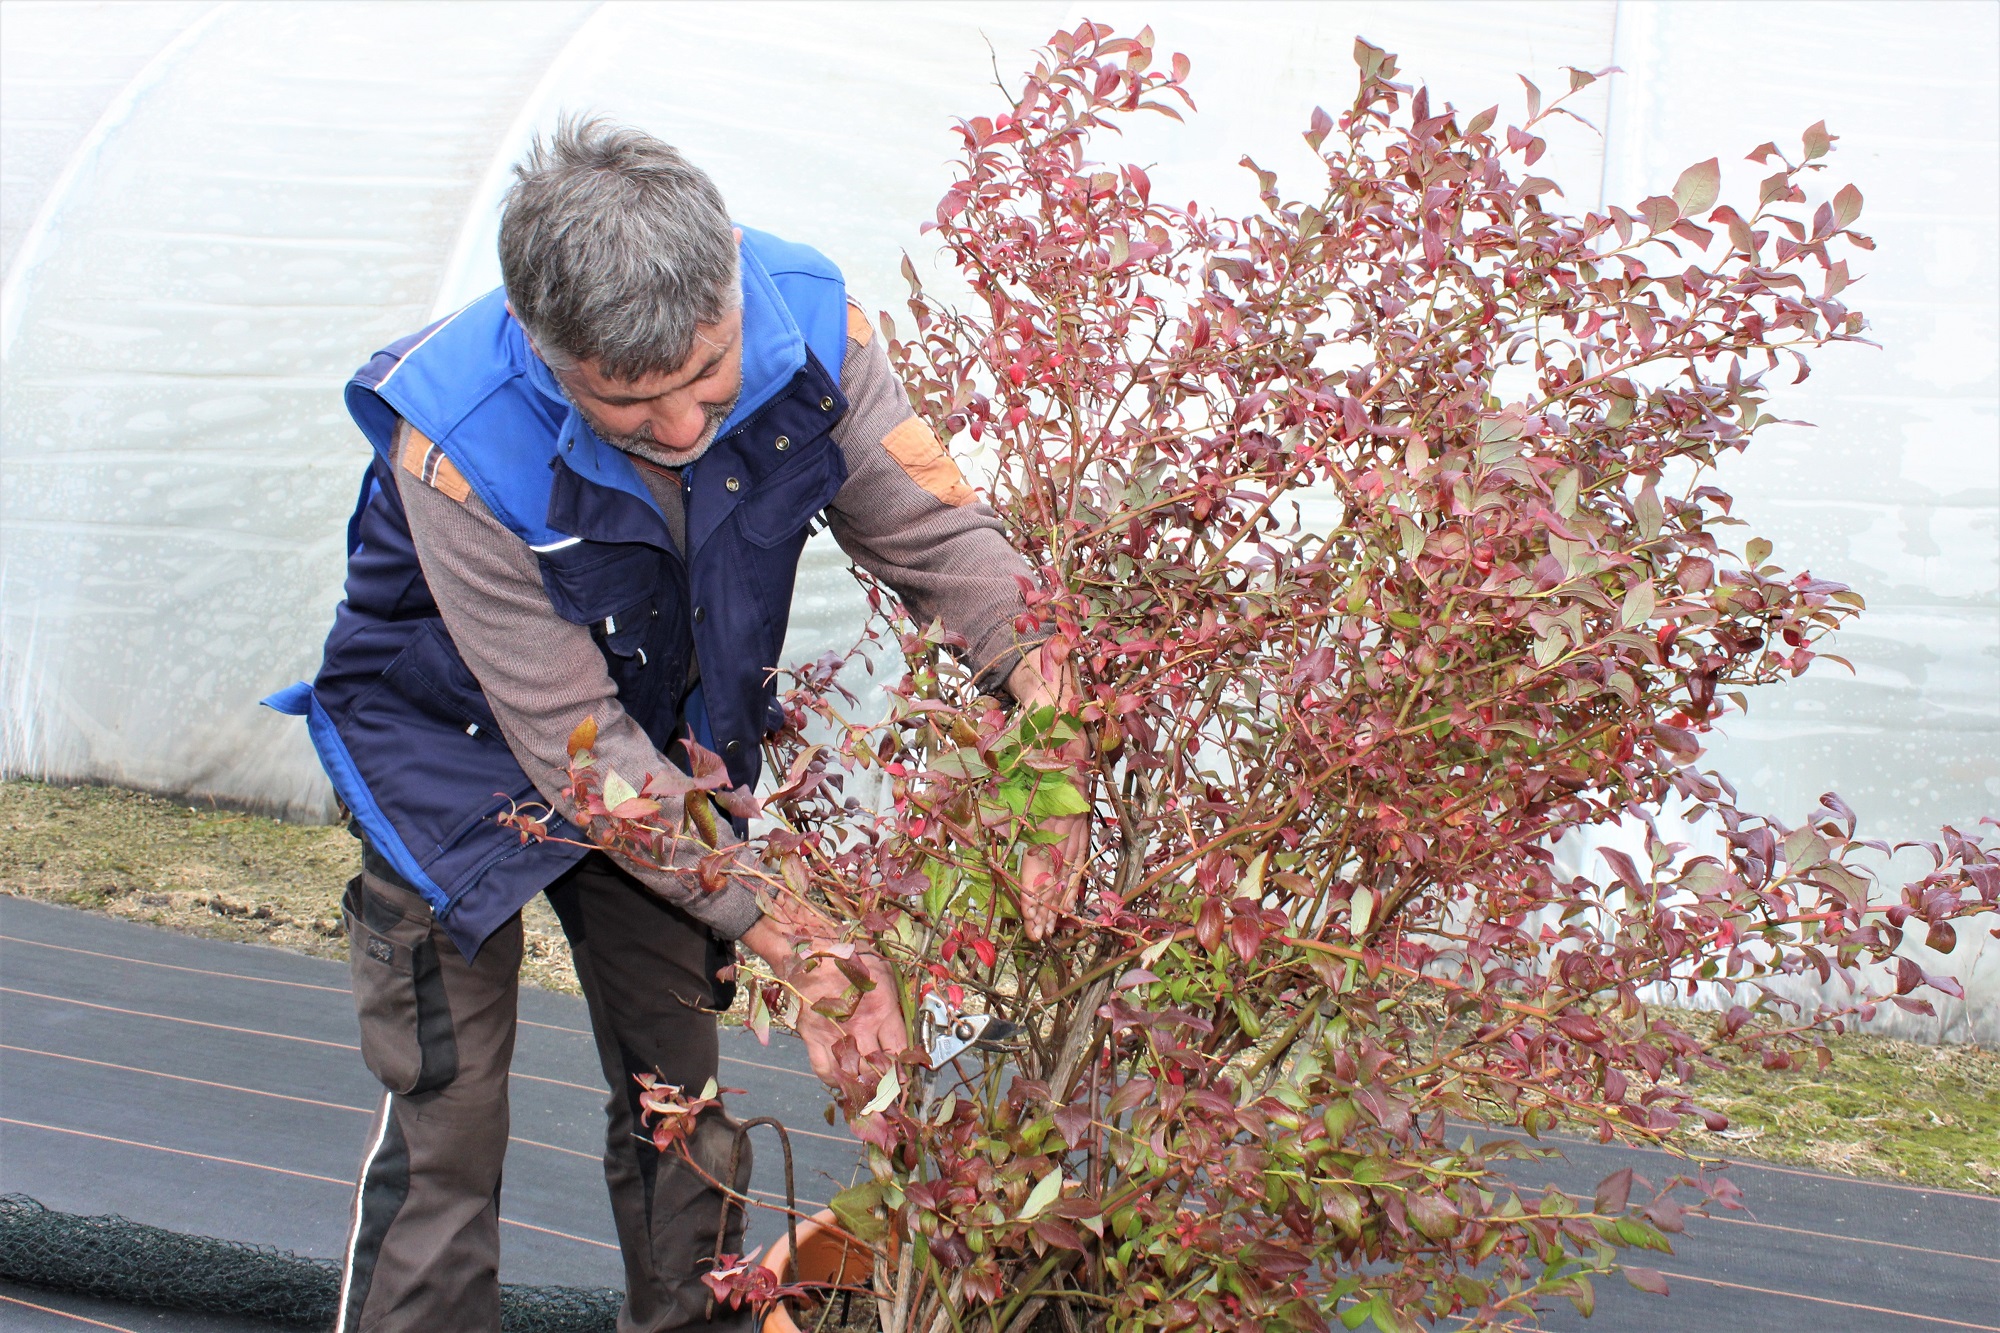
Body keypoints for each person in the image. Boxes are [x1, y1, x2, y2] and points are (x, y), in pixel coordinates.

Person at [264, 117, 1077, 1333]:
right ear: (549, 354)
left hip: (670, 752)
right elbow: (577, 748)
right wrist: (796, 939)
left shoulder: (812, 329)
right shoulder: (458, 432)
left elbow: (936, 534)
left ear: (727, 286)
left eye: (707, 379)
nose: (687, 428)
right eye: (629, 405)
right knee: (450, 1123)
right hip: (450, 757)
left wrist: (1051, 725)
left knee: (680, 1108)